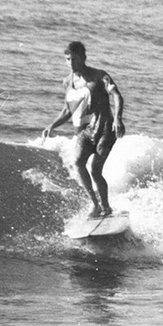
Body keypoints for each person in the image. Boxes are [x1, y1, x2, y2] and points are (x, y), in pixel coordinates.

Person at [42, 41, 125, 218]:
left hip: (105, 129)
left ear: (84, 58)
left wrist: (117, 118)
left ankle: (106, 207)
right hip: (85, 132)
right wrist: (52, 125)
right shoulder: (67, 82)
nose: (70, 63)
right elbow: (67, 110)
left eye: (74, 59)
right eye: (67, 59)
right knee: (78, 163)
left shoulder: (100, 76)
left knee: (95, 169)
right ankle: (96, 206)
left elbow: (117, 96)